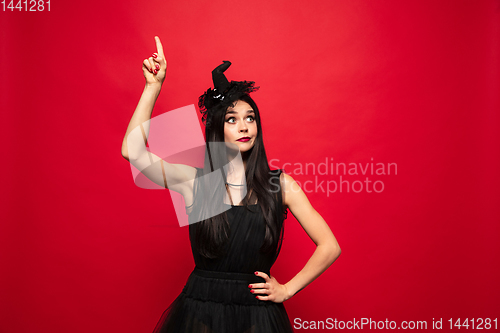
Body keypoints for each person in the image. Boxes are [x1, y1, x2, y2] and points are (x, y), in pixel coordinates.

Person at [121, 36, 341, 333]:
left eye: (250, 118)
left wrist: (288, 289)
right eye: (232, 119)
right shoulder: (195, 181)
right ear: (217, 129)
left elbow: (329, 246)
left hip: (257, 316)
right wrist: (153, 87)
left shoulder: (280, 185)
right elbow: (132, 152)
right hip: (200, 310)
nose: (244, 126)